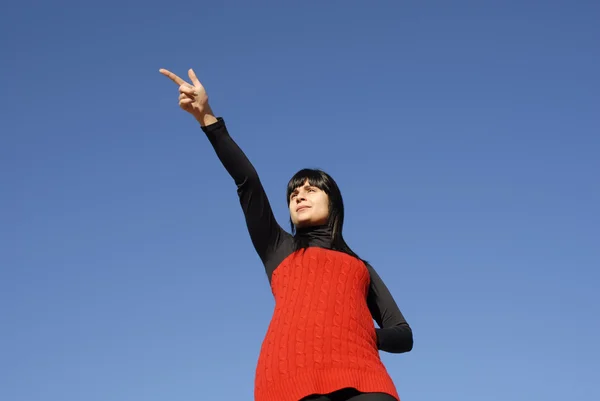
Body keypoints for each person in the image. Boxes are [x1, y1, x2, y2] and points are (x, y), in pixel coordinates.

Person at [159, 68, 414, 401]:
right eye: (294, 193)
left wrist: (364, 334)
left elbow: (403, 334)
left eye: (311, 189)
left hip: (365, 374)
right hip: (289, 375)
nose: (300, 195)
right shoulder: (278, 248)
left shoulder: (359, 267)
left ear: (333, 201)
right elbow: (246, 182)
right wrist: (207, 117)